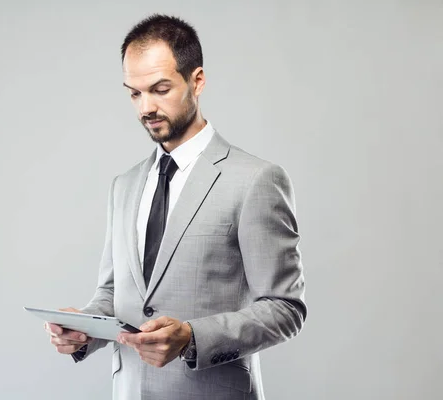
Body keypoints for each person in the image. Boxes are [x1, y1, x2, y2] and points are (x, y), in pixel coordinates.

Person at [45, 14, 307, 400]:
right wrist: (85, 328)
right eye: (134, 93)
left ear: (197, 81)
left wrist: (192, 338)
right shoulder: (124, 186)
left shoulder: (256, 180)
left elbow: (286, 308)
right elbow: (115, 293)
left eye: (160, 89)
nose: (145, 107)